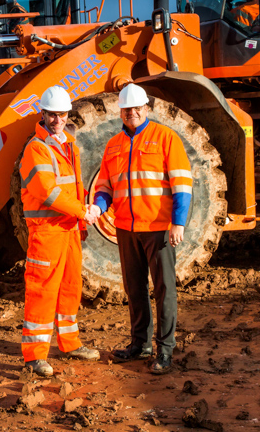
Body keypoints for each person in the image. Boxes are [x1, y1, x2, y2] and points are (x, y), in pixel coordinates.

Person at [87, 83, 193, 375]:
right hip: (126, 228)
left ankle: (165, 350)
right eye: (126, 109)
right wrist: (98, 205)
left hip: (159, 228)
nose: (131, 113)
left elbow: (182, 184)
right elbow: (106, 186)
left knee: (164, 290)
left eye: (136, 108)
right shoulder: (113, 145)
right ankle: (140, 344)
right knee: (135, 289)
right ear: (120, 111)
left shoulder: (166, 138)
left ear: (146, 109)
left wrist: (178, 222)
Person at [18, 86, 100, 377]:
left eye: (62, 114)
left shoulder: (68, 145)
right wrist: (82, 212)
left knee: (69, 288)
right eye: (52, 115)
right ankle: (35, 356)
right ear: (43, 114)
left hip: (68, 230)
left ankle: (70, 343)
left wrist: (80, 221)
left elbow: (74, 187)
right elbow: (47, 192)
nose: (57, 120)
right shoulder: (36, 148)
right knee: (42, 291)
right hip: (47, 231)